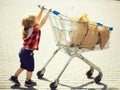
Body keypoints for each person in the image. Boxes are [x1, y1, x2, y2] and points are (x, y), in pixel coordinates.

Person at [9, 6, 51, 87]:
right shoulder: (34, 29)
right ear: (32, 23)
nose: (37, 20)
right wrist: (48, 13)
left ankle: (14, 77)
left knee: (23, 66)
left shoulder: (28, 28)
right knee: (30, 68)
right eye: (35, 19)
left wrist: (41, 11)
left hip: (22, 51)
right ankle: (28, 81)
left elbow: (37, 20)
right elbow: (42, 21)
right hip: (28, 53)